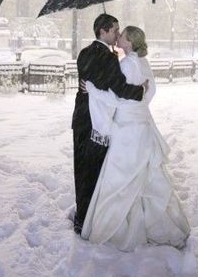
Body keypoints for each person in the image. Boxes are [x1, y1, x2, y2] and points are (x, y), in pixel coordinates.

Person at [81, 26, 190, 251]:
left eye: (121, 35)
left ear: (129, 42)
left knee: (121, 177)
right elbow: (149, 94)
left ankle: (118, 230)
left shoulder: (126, 64)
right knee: (144, 177)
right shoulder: (143, 63)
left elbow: (116, 99)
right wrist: (138, 107)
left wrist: (91, 89)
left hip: (127, 129)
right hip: (142, 125)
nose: (118, 37)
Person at [72, 14, 148, 234]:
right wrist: (140, 89)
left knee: (82, 169)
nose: (117, 34)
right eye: (114, 30)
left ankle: (81, 216)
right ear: (102, 31)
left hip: (81, 119)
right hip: (97, 122)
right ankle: (88, 221)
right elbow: (119, 89)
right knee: (94, 171)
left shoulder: (85, 53)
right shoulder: (107, 57)